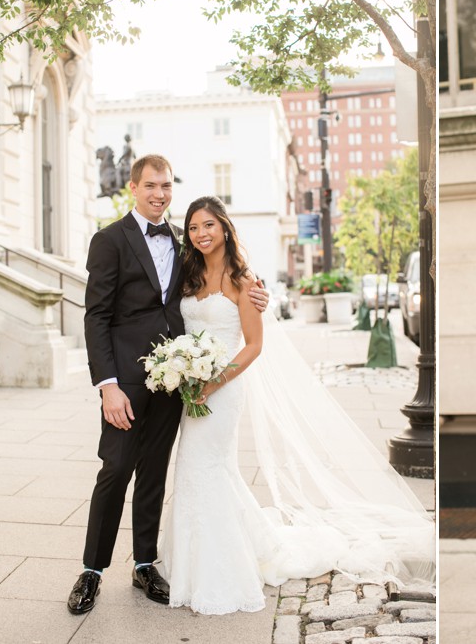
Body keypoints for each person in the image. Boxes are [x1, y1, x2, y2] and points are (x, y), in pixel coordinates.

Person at [159, 196, 434, 615]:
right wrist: (181, 371)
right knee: (196, 470)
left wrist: (213, 383)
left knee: (208, 467)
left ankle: (221, 572)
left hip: (222, 388)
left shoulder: (243, 281)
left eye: (209, 225)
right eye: (194, 227)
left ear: (225, 228)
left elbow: (253, 346)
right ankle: (196, 562)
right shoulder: (188, 275)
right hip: (191, 389)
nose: (201, 234)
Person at [68, 156, 268, 615]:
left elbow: (220, 289)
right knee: (115, 469)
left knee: (155, 474)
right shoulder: (109, 240)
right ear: (134, 188)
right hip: (125, 382)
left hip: (172, 383)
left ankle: (143, 564)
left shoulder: (184, 246)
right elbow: (96, 316)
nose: (160, 194)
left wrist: (258, 295)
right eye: (151, 186)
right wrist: (107, 386)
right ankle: (92, 571)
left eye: (167, 186)